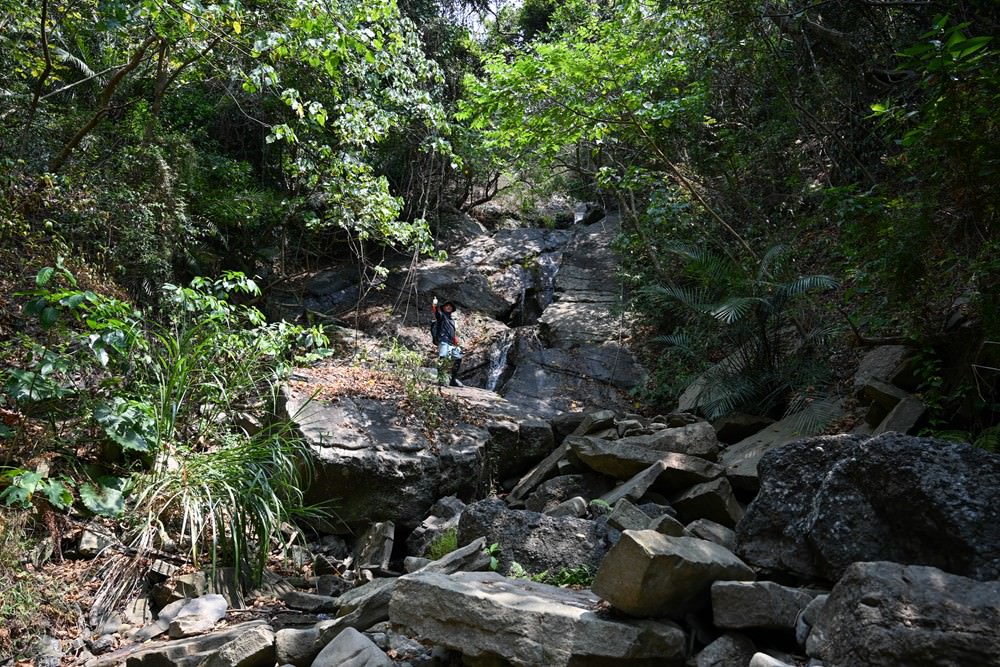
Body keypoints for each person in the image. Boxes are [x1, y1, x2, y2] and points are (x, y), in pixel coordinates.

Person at [432, 297, 463, 387]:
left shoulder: (452, 321)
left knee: (458, 358)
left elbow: (452, 332)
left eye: (450, 306)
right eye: (447, 306)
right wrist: (434, 305)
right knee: (443, 357)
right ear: (444, 308)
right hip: (443, 340)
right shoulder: (441, 316)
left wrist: (455, 339)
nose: (449, 307)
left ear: (452, 309)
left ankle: (453, 379)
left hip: (451, 342)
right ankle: (441, 378)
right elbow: (436, 313)